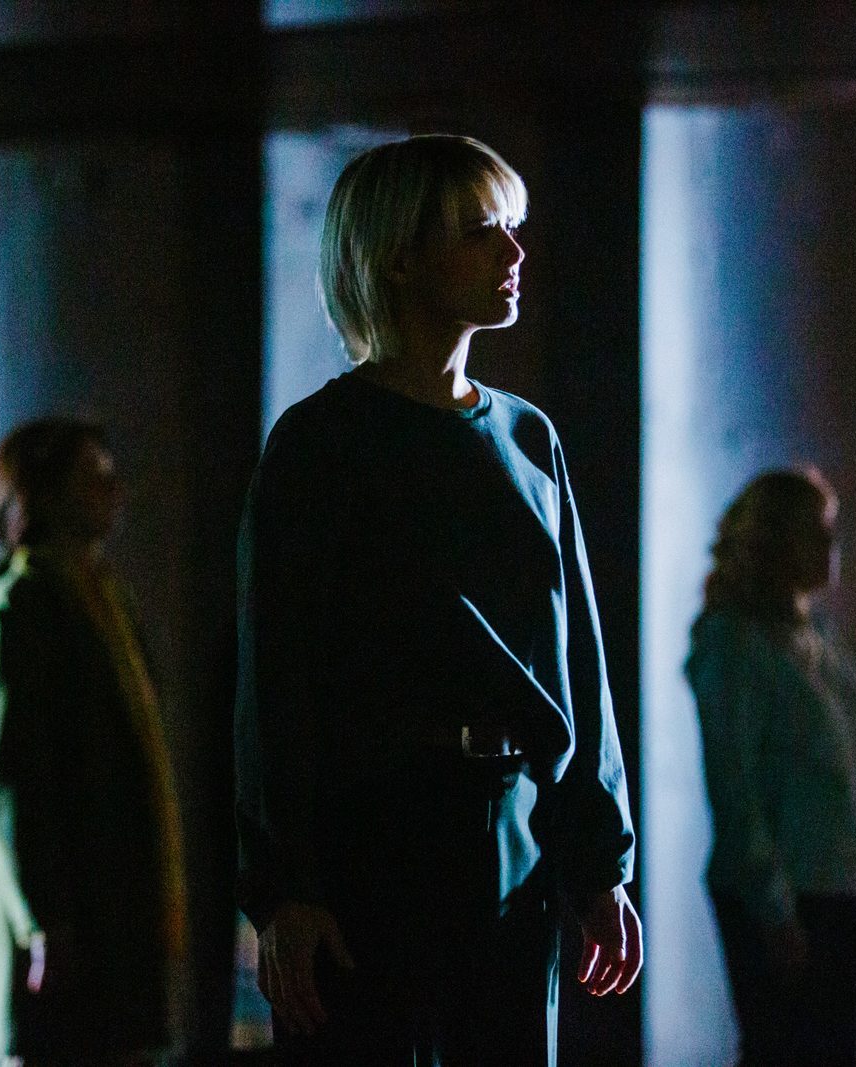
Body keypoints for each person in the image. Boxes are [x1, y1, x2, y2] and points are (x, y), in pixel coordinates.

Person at [235, 134, 640, 1067]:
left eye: (512, 228)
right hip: (372, 838)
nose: (515, 251)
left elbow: (576, 664)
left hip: (512, 834)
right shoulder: (320, 443)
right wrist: (288, 885)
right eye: (480, 231)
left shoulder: (529, 438)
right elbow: (276, 680)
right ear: (400, 258)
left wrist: (599, 862)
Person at [0, 418, 188, 1067]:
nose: (114, 491)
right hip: (66, 932)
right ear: (43, 493)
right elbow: (11, 782)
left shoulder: (104, 599)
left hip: (111, 918)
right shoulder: (22, 605)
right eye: (92, 477)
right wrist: (43, 920)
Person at [684, 468, 856, 1067]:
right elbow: (735, 787)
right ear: (776, 541)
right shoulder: (735, 642)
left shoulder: (819, 638)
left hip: (839, 893)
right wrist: (773, 909)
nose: (832, 545)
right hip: (786, 899)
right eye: (815, 531)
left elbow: (854, 782)